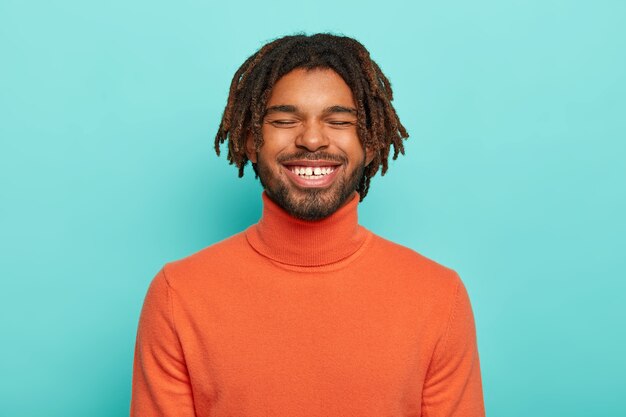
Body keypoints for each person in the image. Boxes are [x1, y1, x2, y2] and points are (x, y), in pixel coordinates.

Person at [130, 33, 485, 417]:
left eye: (338, 120)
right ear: (251, 139)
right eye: (284, 120)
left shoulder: (438, 296)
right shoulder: (177, 295)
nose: (312, 139)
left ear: (371, 142)